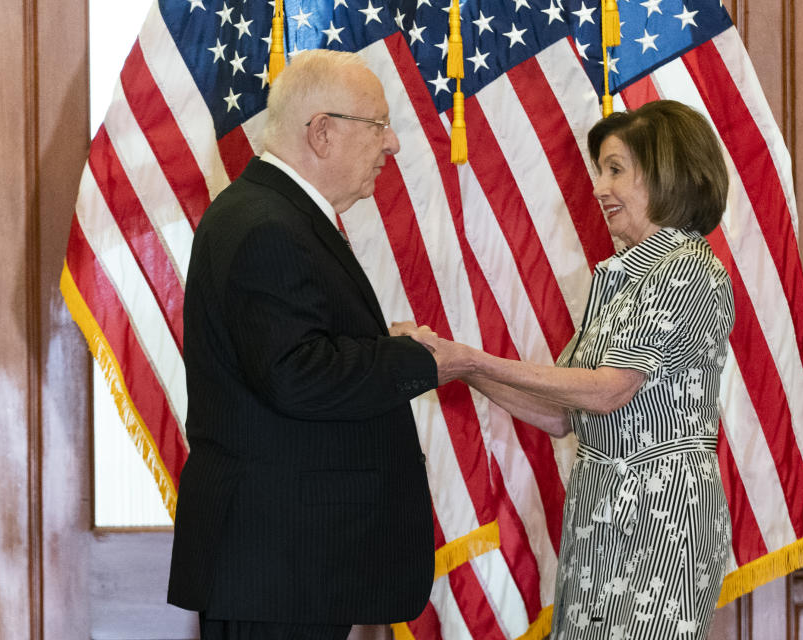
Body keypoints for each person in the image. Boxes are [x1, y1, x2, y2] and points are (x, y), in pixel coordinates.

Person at [404, 100, 735, 638]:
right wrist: (457, 363)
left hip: (660, 525)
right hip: (601, 515)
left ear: (666, 171)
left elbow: (608, 391)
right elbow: (561, 414)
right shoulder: (622, 277)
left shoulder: (689, 269)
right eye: (601, 170)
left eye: (616, 169)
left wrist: (471, 359)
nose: (600, 187)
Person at [167, 49, 450, 639]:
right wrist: (417, 357)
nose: (392, 144)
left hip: (289, 563)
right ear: (322, 132)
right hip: (279, 563)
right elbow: (297, 372)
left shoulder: (275, 213)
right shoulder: (267, 225)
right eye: (377, 125)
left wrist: (377, 340)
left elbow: (287, 352)